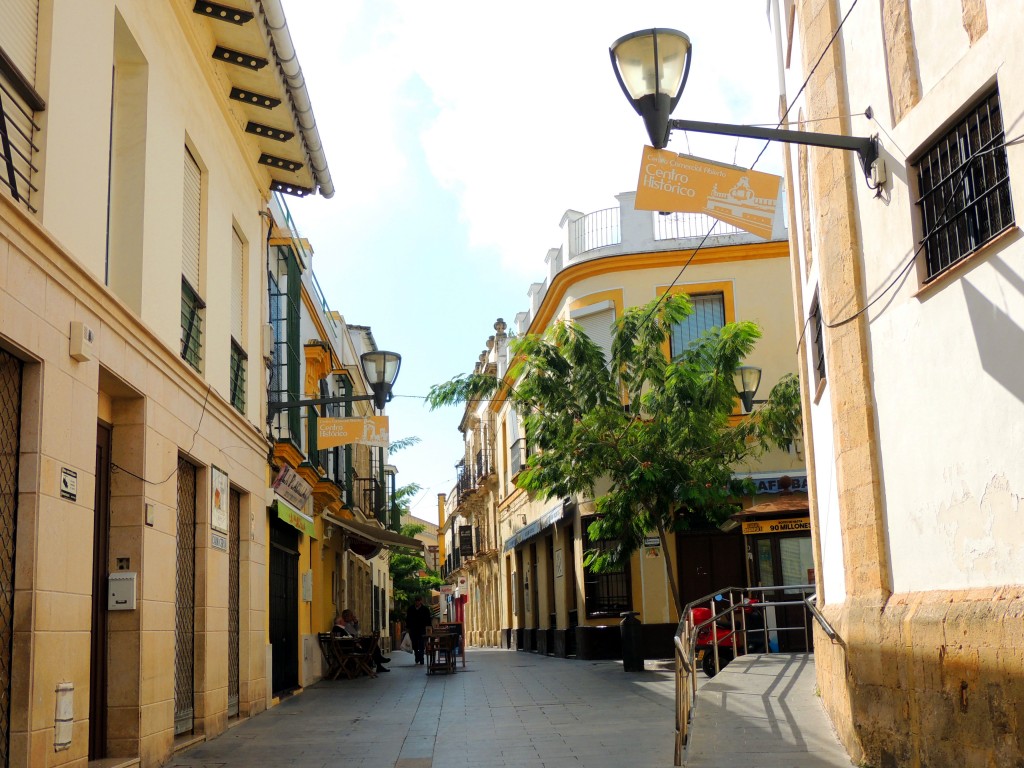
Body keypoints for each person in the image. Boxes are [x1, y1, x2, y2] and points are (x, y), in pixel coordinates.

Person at [405, 596, 432, 666]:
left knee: (421, 644)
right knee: (414, 644)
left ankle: (422, 658)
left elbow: (428, 620)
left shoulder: (425, 609)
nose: (417, 602)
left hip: (422, 630)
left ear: (421, 601)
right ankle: (417, 656)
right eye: (416, 601)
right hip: (413, 630)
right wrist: (407, 628)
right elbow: (408, 619)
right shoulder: (410, 609)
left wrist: (429, 628)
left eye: (418, 601)